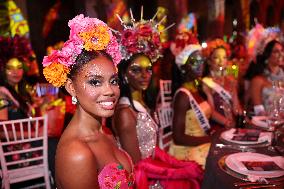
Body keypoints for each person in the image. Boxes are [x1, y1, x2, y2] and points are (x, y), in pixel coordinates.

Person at [42, 15, 134, 188]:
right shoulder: (76, 153)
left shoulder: (104, 131)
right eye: (95, 82)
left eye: (113, 81)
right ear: (71, 87)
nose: (110, 91)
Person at [113, 13, 203, 189]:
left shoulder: (142, 103)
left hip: (153, 169)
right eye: (136, 70)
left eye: (148, 69)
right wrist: (179, 172)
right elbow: (137, 165)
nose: (145, 75)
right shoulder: (125, 113)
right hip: (142, 180)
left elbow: (153, 148)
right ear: (124, 75)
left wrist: (180, 164)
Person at [202, 38, 242, 128]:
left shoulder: (231, 80)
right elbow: (210, 111)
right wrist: (226, 122)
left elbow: (236, 106)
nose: (221, 61)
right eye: (216, 57)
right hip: (216, 127)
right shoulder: (206, 82)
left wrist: (241, 115)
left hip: (232, 126)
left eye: (224, 57)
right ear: (209, 61)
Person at [245, 40, 284, 115]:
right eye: (276, 51)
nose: (281, 54)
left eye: (282, 50)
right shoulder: (258, 80)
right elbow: (259, 112)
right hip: (267, 123)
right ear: (268, 55)